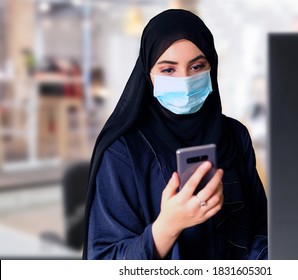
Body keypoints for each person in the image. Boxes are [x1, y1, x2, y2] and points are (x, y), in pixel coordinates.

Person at [83, 9, 268, 260]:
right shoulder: (124, 151)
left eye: (197, 66)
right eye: (169, 70)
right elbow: (104, 259)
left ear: (212, 67)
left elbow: (261, 229)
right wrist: (167, 227)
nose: (185, 79)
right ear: (148, 75)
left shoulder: (235, 136)